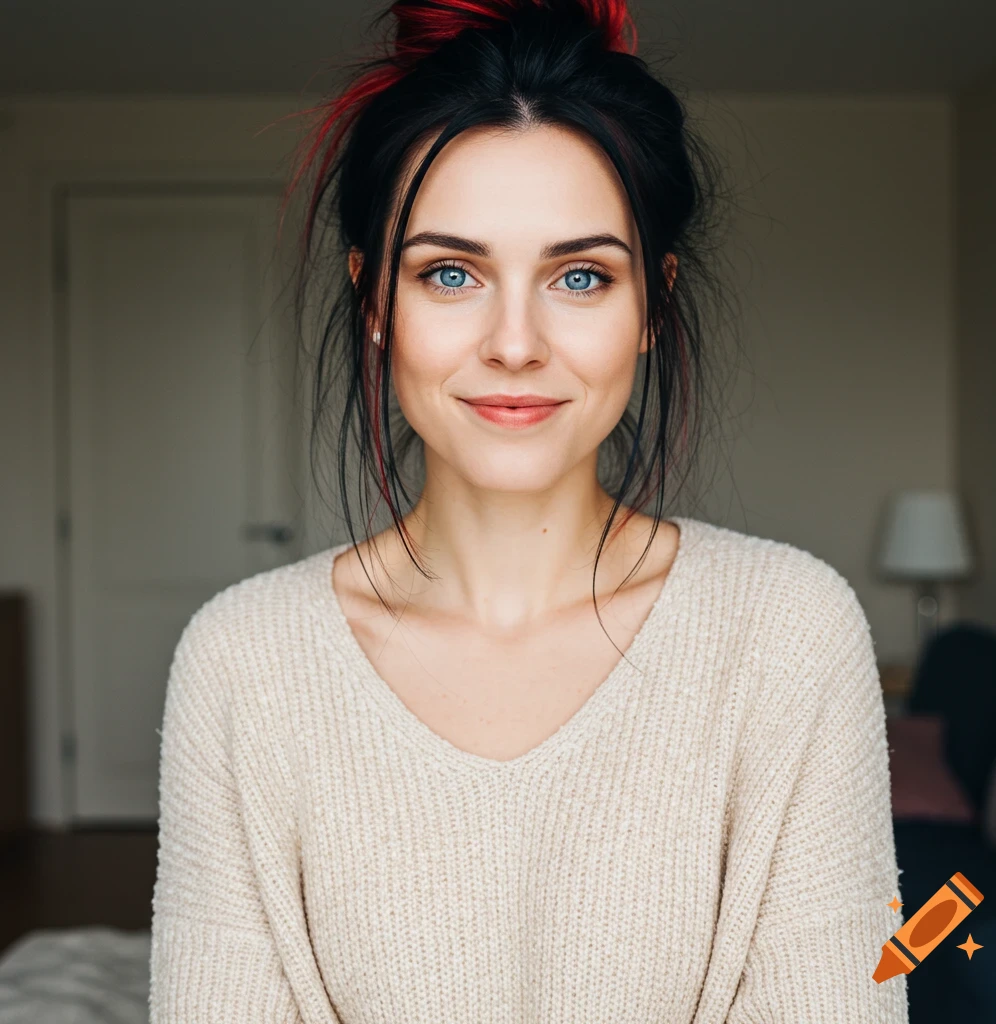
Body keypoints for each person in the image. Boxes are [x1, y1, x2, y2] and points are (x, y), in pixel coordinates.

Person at [148, 0, 910, 1019]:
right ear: (375, 302)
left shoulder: (788, 634)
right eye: (451, 273)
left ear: (651, 307)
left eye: (581, 275)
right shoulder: (243, 661)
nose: (515, 341)